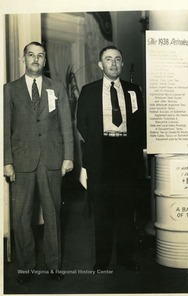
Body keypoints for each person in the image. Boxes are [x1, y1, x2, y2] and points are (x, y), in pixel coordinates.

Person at [3, 41, 74, 284]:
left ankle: (54, 265)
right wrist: (6, 161)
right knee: (22, 216)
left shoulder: (57, 87)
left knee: (53, 214)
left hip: (52, 160)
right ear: (23, 59)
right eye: (31, 55)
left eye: (40, 55)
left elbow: (66, 125)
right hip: (22, 161)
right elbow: (4, 129)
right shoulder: (10, 90)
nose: (36, 59)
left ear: (45, 60)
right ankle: (26, 267)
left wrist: (68, 156)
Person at [77, 45, 146, 272]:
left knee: (126, 210)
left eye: (118, 59)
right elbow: (82, 124)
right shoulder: (89, 91)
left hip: (126, 154)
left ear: (122, 64)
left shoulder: (134, 90)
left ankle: (126, 258)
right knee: (103, 212)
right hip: (101, 153)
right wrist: (100, 143)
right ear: (101, 65)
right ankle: (102, 260)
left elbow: (140, 124)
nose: (113, 64)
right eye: (108, 59)